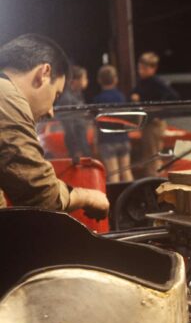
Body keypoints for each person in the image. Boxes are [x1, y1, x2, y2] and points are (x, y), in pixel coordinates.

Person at [0, 34, 109, 219]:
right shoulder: (6, 97)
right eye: (56, 95)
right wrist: (88, 196)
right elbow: (43, 197)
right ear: (43, 73)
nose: (51, 111)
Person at [130, 51, 178, 176]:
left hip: (154, 123)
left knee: (152, 156)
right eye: (139, 68)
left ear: (153, 68)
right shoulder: (143, 82)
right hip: (147, 122)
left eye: (144, 68)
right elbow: (135, 94)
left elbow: (173, 96)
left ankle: (154, 182)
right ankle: (153, 180)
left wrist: (159, 111)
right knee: (149, 155)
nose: (141, 71)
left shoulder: (156, 82)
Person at [92, 65, 133, 183]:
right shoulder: (121, 97)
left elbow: (96, 123)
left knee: (113, 174)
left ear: (99, 80)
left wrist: (95, 142)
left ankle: (116, 200)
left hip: (107, 140)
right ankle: (131, 198)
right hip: (123, 138)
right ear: (115, 79)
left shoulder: (98, 99)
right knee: (126, 172)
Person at [56, 65, 91, 159]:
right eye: (84, 78)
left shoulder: (77, 94)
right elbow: (68, 125)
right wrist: (75, 149)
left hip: (82, 138)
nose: (86, 80)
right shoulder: (67, 98)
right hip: (77, 143)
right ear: (75, 81)